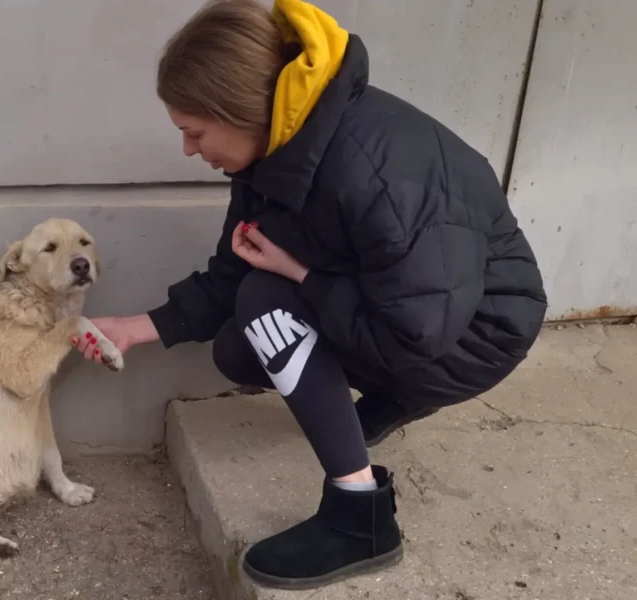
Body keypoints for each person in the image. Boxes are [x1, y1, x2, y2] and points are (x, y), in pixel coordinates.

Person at [72, 0, 548, 591]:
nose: (189, 151)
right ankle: (392, 399)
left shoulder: (374, 174)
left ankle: (360, 516)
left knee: (266, 304)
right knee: (239, 348)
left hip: (472, 334)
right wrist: (134, 328)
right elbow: (230, 274)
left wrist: (302, 278)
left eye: (194, 132)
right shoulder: (277, 153)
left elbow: (413, 332)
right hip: (412, 313)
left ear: (240, 110)